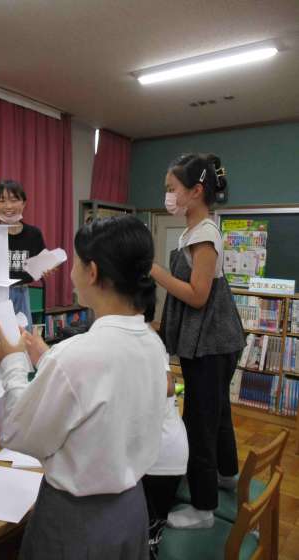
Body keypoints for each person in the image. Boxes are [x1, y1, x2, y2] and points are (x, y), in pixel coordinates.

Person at [0, 215, 168, 559]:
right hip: (131, 511)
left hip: (77, 523)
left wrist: (13, 363)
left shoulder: (76, 356)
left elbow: (19, 434)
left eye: (75, 263)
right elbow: (99, 391)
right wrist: (46, 358)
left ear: (92, 271)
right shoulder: (152, 342)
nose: (70, 273)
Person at [150, 153, 245, 529]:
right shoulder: (194, 231)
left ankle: (204, 510)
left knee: (200, 422)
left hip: (212, 343)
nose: (168, 196)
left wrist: (155, 271)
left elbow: (198, 296)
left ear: (196, 191)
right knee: (217, 413)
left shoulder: (205, 233)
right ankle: (227, 475)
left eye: (172, 188)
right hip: (210, 342)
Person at [142, 370, 188, 556]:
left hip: (159, 459)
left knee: (148, 532)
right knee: (152, 528)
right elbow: (172, 387)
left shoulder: (148, 357)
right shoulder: (156, 355)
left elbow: (167, 388)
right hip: (170, 451)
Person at [0, 180, 46, 328]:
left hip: (22, 293)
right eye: (2, 201)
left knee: (23, 337)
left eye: (14, 200)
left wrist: (45, 269)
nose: (8, 206)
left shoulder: (33, 234)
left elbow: (41, 266)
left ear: (23, 203)